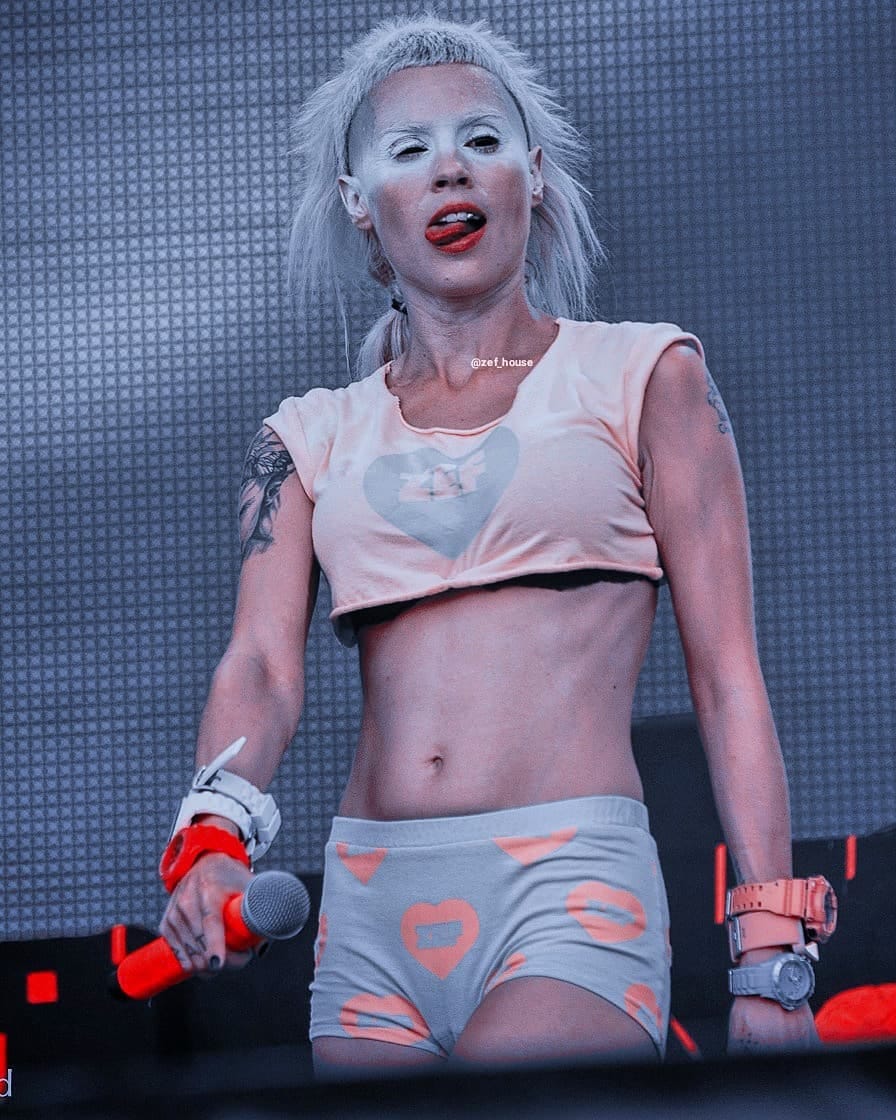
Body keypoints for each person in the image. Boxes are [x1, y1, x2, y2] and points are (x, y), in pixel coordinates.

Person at [158, 14, 831, 1077]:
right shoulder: (305, 437)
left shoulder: (645, 375)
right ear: (360, 202)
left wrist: (770, 950)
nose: (449, 169)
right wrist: (209, 836)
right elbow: (259, 666)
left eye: (480, 139)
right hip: (371, 907)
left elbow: (727, 674)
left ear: (535, 172)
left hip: (569, 885)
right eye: (410, 150)